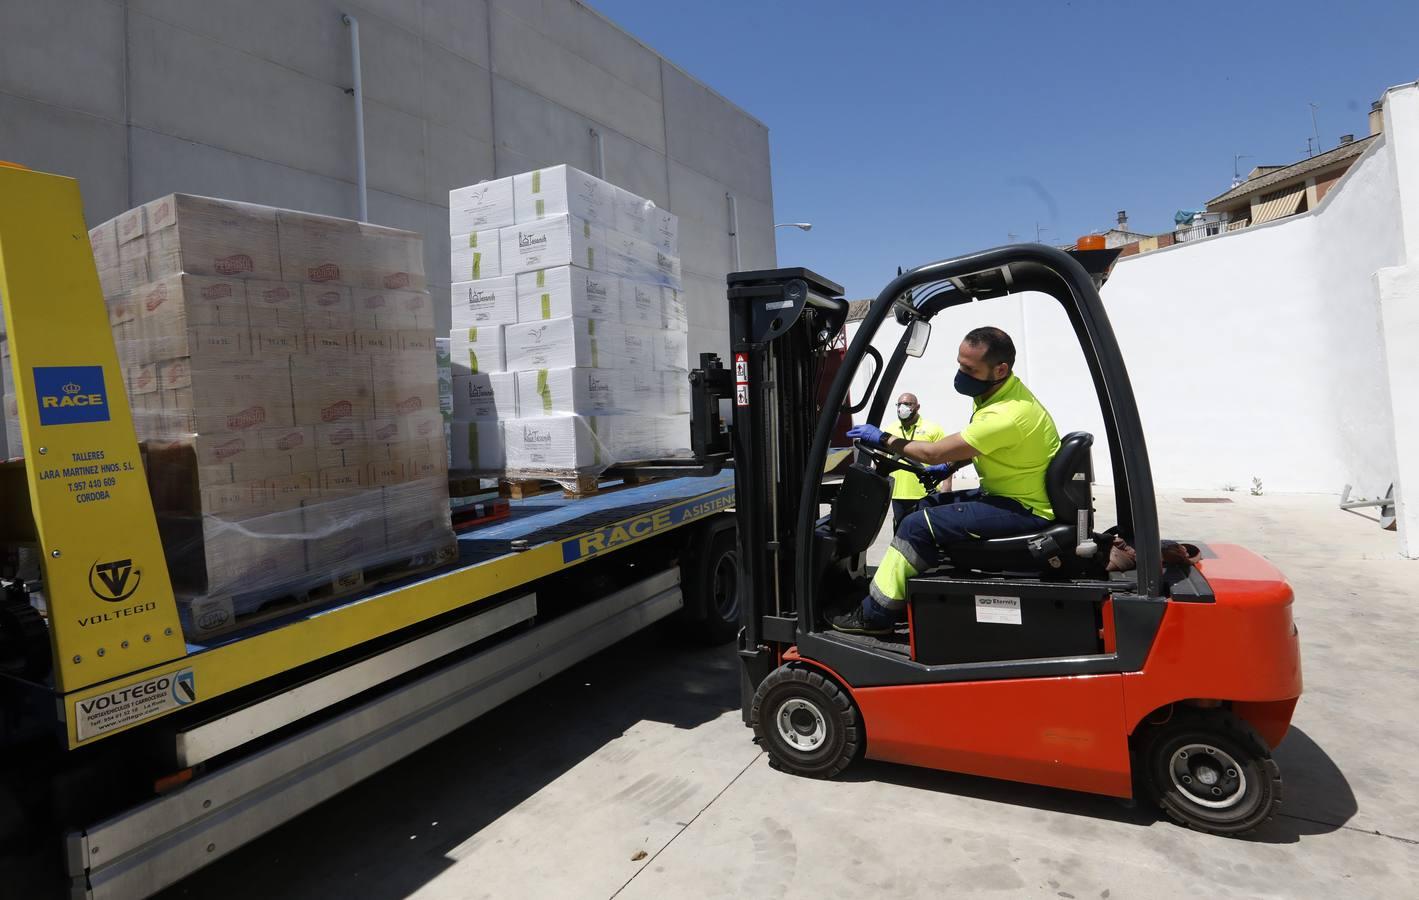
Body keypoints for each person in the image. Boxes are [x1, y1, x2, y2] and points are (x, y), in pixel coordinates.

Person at [833, 326, 1061, 636]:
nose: (961, 373)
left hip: (1023, 508)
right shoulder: (999, 393)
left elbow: (930, 452)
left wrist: (884, 438)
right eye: (959, 364)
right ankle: (910, 589)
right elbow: (985, 448)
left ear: (1001, 368)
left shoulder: (1006, 414)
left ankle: (875, 617)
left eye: (969, 368)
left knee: (915, 525)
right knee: (922, 507)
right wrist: (949, 468)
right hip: (1007, 495)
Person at [883, 393, 948, 533]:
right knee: (901, 533)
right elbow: (881, 459)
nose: (902, 408)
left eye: (907, 404)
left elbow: (946, 458)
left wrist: (946, 488)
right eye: (899, 404)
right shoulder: (890, 430)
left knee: (927, 533)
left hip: (926, 492)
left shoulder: (933, 429)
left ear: (917, 407)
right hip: (898, 494)